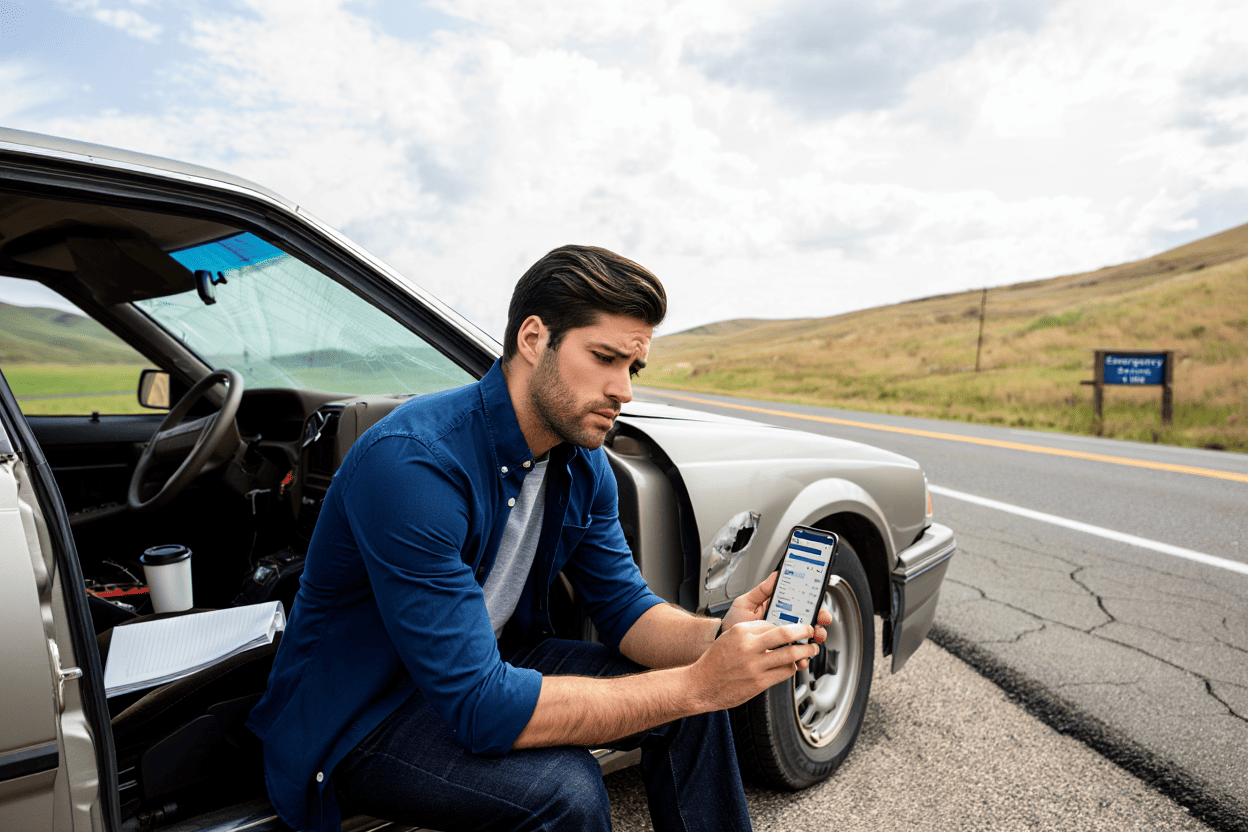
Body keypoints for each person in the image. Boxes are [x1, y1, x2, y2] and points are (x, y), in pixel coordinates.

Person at [247, 245, 830, 832]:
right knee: (567, 789)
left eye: (633, 368)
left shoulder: (581, 464)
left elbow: (626, 610)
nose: (624, 391)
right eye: (604, 358)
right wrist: (697, 684)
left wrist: (718, 638)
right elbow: (480, 706)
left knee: (694, 708)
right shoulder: (414, 467)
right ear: (533, 339)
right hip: (362, 714)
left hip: (487, 663)